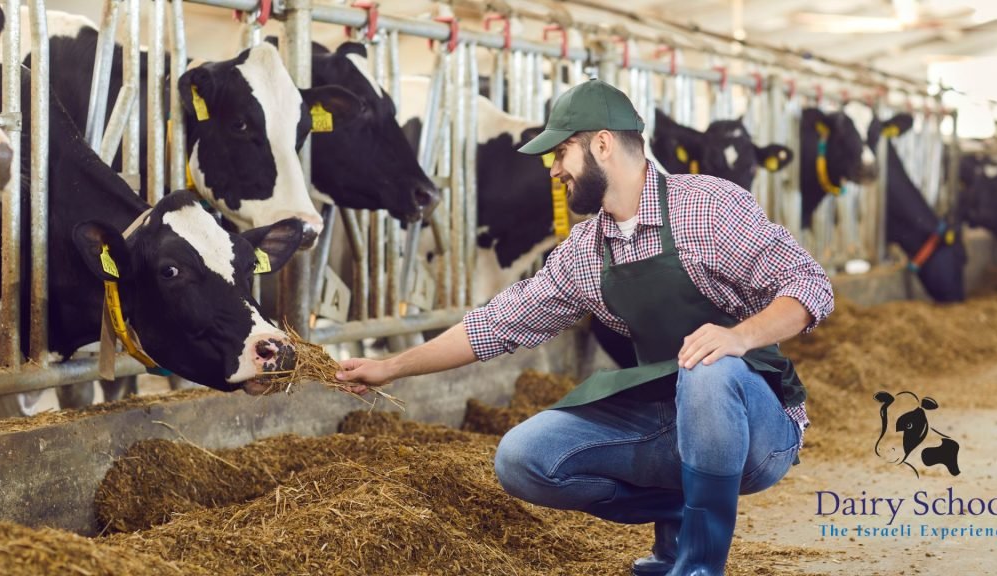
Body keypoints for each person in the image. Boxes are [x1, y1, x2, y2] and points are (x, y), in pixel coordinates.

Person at [337, 78, 834, 576]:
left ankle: (699, 565)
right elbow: (495, 324)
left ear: (602, 143)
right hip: (669, 417)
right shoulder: (584, 251)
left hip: (759, 428)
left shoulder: (707, 207)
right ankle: (675, 509)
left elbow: (811, 285)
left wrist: (738, 337)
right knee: (522, 458)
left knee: (709, 369)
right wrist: (391, 366)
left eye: (561, 153)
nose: (553, 171)